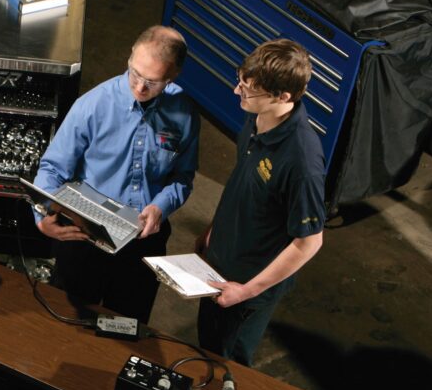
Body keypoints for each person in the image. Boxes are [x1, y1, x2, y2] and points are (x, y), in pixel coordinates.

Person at [32, 25, 200, 324]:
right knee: (70, 321)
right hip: (87, 233)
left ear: (173, 76)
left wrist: (160, 206)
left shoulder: (184, 114)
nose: (139, 87)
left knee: (127, 326)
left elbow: (182, 177)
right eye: (134, 73)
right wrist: (42, 217)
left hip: (143, 239)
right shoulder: (93, 105)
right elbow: (52, 168)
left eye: (152, 81)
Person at [196, 39, 325, 368]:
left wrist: (246, 292)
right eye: (241, 79)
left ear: (283, 97)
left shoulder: (301, 162)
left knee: (227, 366)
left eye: (250, 90)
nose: (238, 91)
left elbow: (309, 242)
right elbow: (246, 187)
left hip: (245, 284)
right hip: (217, 263)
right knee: (205, 349)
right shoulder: (257, 118)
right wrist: (213, 232)